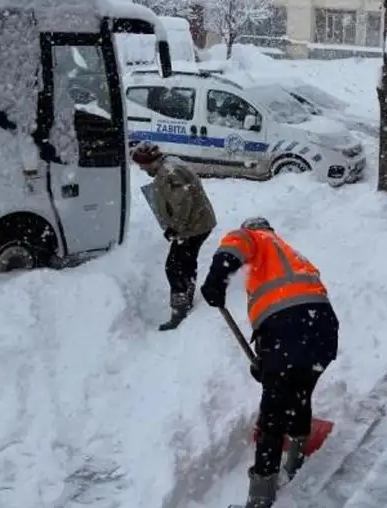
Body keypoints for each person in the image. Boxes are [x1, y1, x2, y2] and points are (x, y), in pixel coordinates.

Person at [200, 217, 339, 508]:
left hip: (290, 328)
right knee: (299, 390)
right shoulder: (291, 255)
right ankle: (297, 459)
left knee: (273, 416)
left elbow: (235, 244)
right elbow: (291, 309)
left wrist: (216, 280)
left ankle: (260, 498)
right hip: (323, 331)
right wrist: (268, 363)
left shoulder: (254, 237)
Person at [131, 141, 217, 331]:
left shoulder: (169, 172)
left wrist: (175, 228)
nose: (142, 169)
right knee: (186, 260)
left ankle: (180, 309)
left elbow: (183, 203)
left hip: (193, 226)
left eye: (142, 166)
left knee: (173, 266)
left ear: (150, 162)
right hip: (198, 223)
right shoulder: (168, 165)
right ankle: (188, 292)